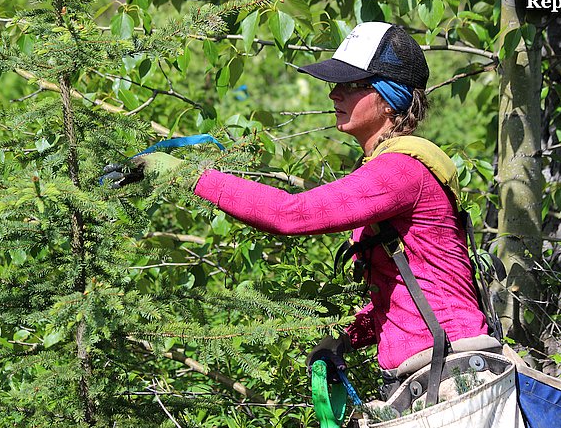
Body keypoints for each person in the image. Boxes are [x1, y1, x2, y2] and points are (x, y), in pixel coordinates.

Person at [106, 22, 497, 393]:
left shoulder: (400, 170)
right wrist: (344, 340)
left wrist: (185, 173)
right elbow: (399, 297)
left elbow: (289, 214)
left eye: (351, 85)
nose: (334, 95)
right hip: (432, 371)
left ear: (389, 97)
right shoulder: (390, 168)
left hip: (451, 373)